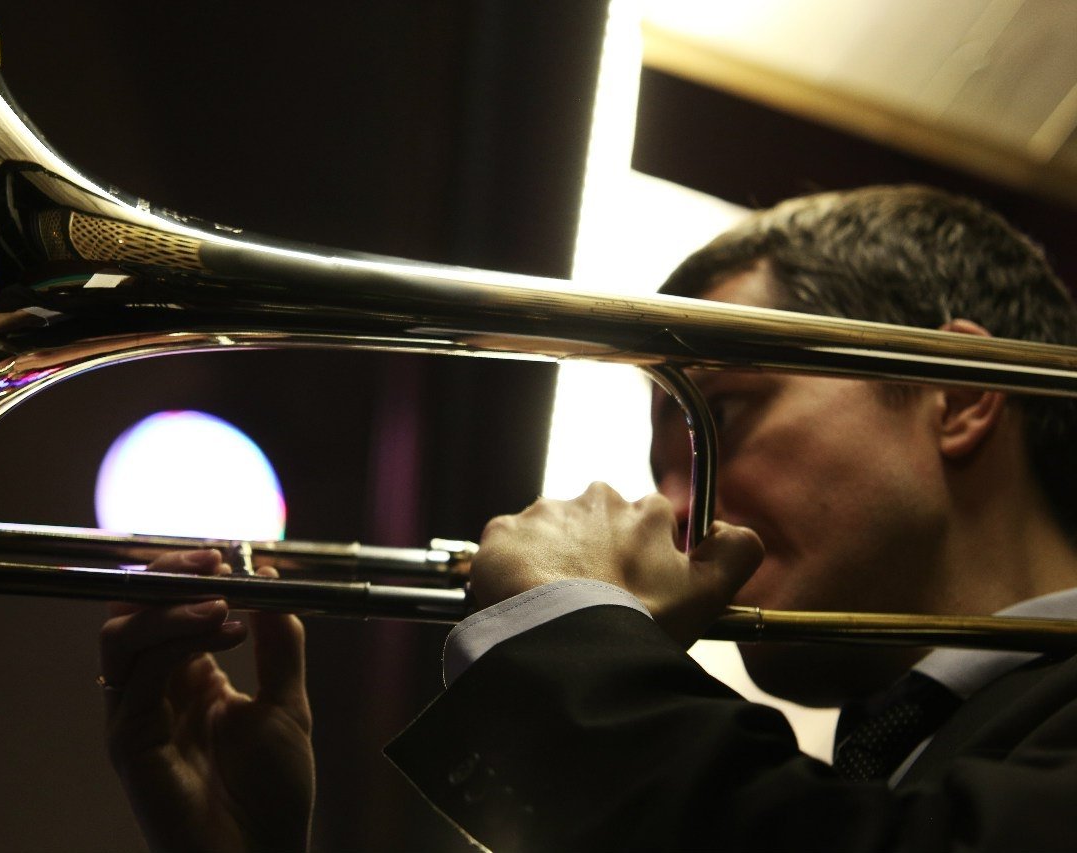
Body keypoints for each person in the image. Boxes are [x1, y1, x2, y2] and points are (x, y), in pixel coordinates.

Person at [99, 185, 1077, 852]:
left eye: (721, 418)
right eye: (665, 463)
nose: (679, 512)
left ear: (955, 392)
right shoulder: (889, 777)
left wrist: (567, 632)